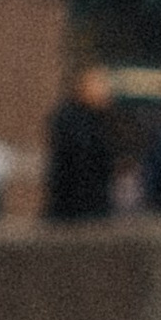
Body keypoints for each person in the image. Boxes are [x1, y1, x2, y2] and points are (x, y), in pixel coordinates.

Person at [43, 66, 119, 224]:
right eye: (99, 85)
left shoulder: (101, 121)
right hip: (73, 211)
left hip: (94, 208)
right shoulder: (70, 120)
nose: (106, 91)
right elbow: (77, 164)